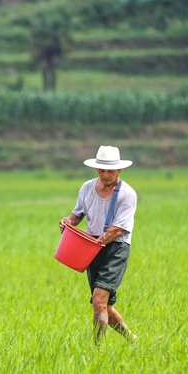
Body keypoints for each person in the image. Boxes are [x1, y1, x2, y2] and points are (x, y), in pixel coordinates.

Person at [59, 145, 138, 341]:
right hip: (92, 247)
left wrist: (94, 243)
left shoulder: (127, 194)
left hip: (115, 248)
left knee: (99, 299)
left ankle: (97, 350)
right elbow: (77, 214)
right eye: (102, 170)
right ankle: (132, 340)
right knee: (102, 305)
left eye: (110, 171)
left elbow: (117, 229)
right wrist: (68, 222)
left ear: (119, 170)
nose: (105, 174)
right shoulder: (87, 188)